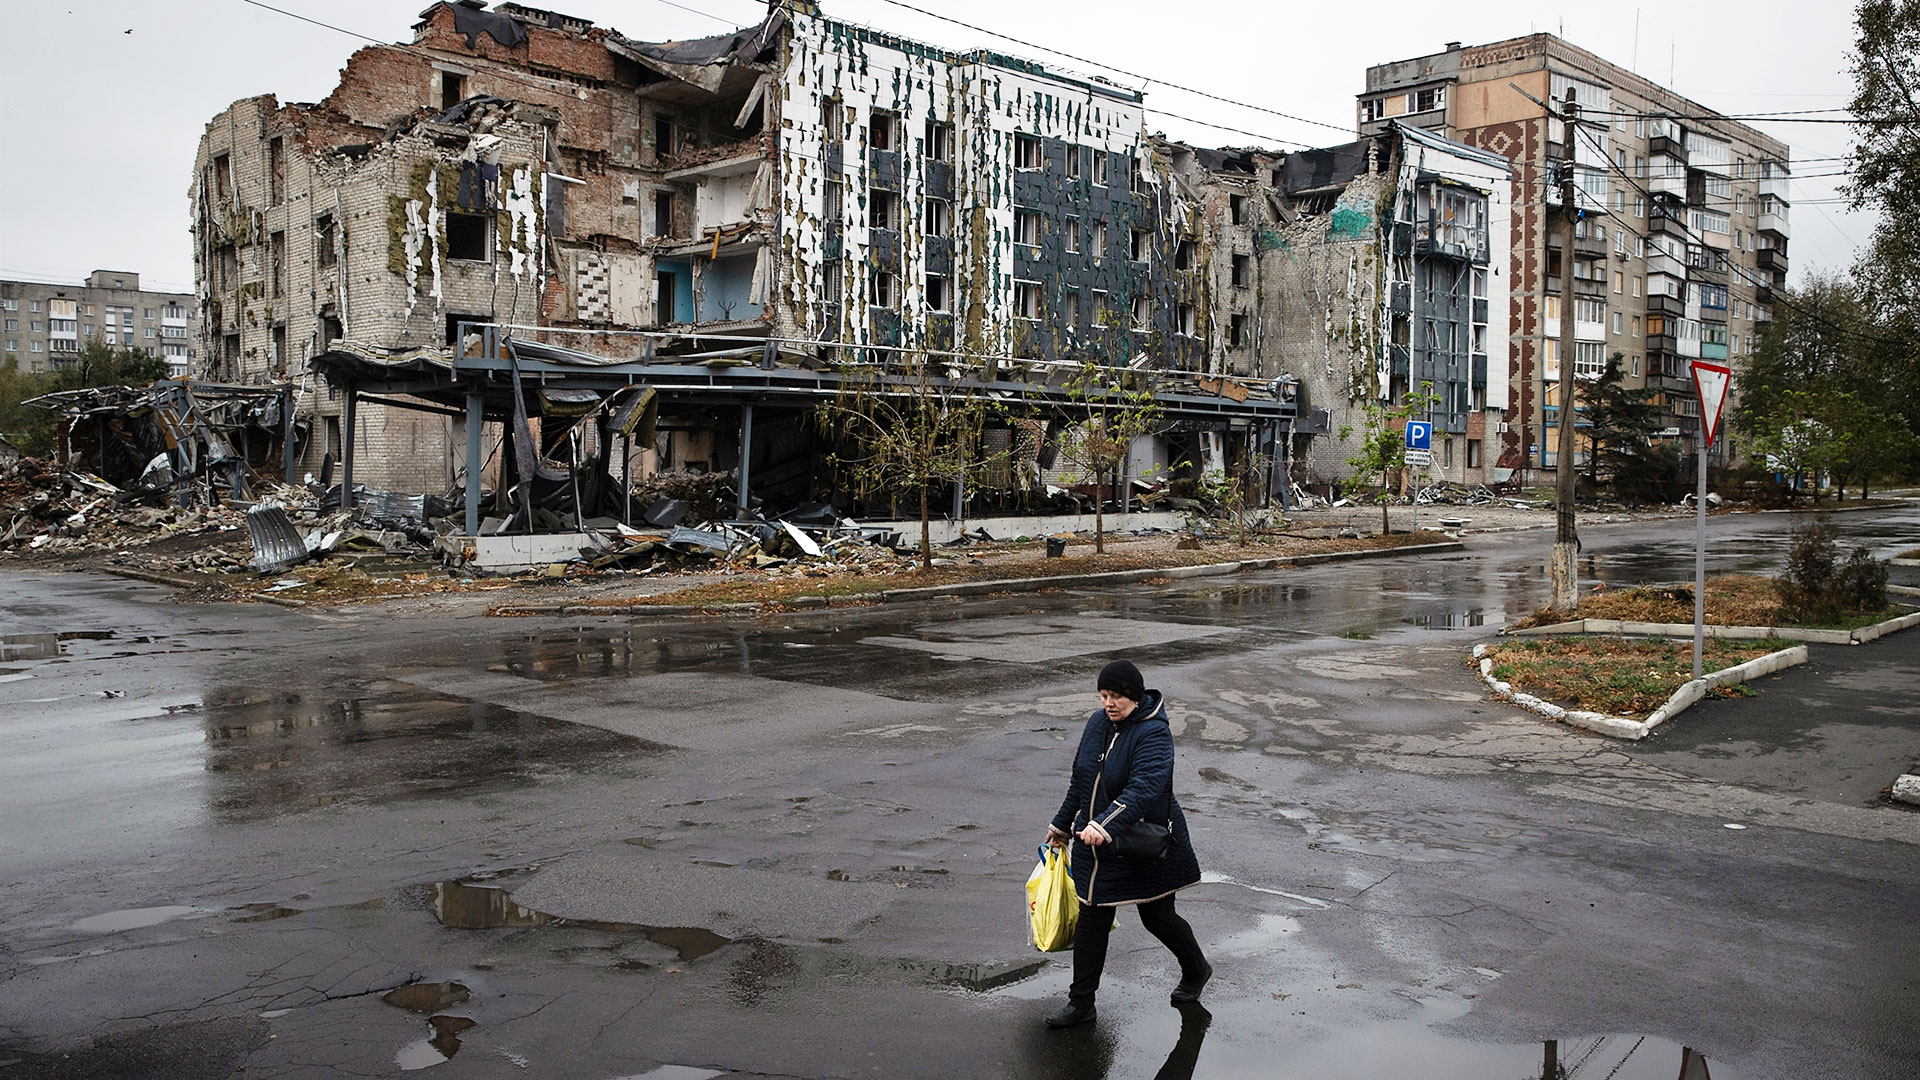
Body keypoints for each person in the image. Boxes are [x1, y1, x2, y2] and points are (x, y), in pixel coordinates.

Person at [1042, 659, 1210, 1028]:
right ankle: (1081, 1004)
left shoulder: (1153, 733)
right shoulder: (1097, 724)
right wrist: (1062, 823)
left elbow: (1145, 788)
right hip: (1095, 842)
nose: (1109, 703)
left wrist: (1104, 825)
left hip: (1144, 843)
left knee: (1158, 918)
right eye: (1103, 695)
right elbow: (1082, 779)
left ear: (1134, 696)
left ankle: (1197, 969)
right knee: (1092, 919)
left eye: (1116, 695)